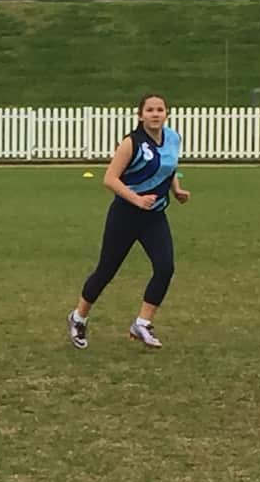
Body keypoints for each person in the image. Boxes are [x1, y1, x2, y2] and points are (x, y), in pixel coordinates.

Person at [68, 93, 190, 351]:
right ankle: (78, 317)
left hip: (154, 216)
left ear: (166, 113)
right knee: (106, 271)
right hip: (125, 215)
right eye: (150, 110)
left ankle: (142, 323)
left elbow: (168, 167)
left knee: (165, 267)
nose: (155, 114)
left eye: (160, 109)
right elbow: (110, 179)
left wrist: (176, 190)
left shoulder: (173, 138)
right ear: (140, 115)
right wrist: (136, 200)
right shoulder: (131, 143)